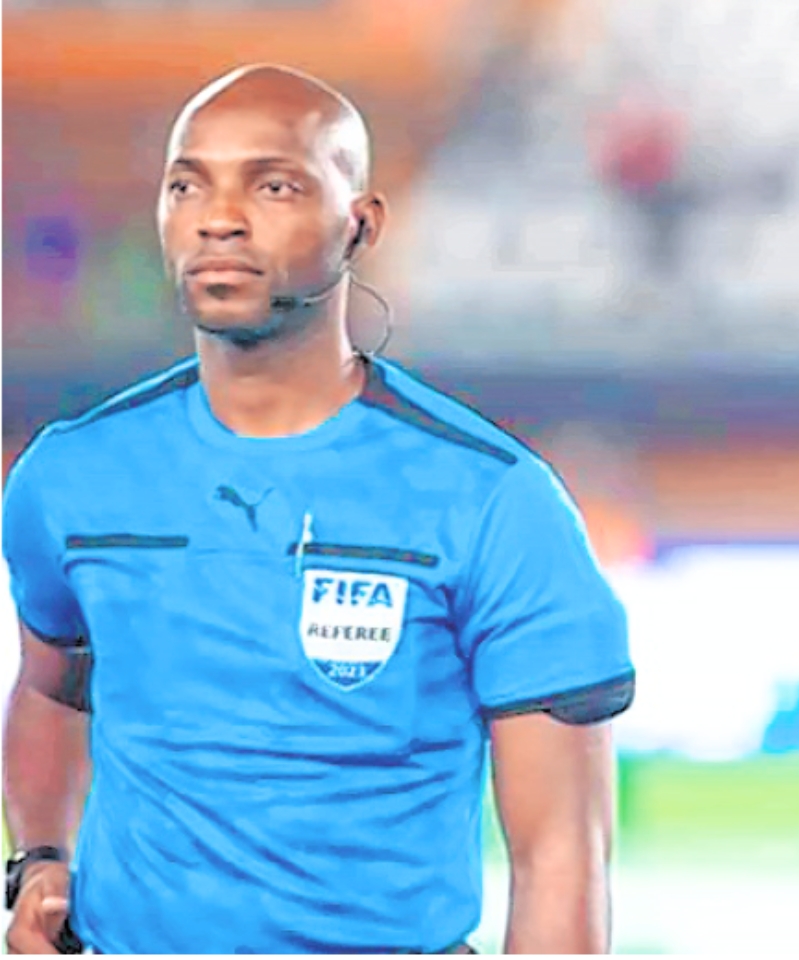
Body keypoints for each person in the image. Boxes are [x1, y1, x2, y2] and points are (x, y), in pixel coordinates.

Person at [2, 64, 633, 954]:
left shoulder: (495, 500)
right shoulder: (69, 477)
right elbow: (50, 690)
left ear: (360, 224)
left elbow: (563, 852)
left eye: (274, 184)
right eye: (188, 184)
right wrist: (39, 859)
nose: (218, 216)